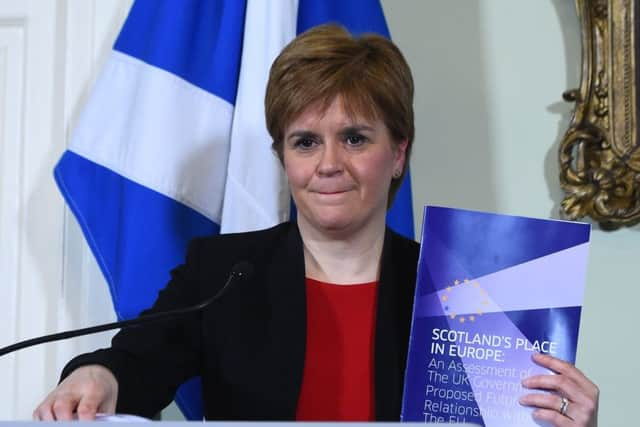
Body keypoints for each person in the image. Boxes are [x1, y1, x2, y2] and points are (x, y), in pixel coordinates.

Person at [34, 24, 599, 425]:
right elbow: (136, 362)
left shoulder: (466, 293)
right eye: (306, 142)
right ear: (285, 157)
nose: (329, 164)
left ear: (399, 153)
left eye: (354, 138)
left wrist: (565, 423)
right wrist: (99, 376)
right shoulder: (221, 273)